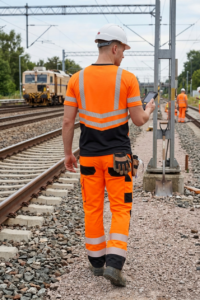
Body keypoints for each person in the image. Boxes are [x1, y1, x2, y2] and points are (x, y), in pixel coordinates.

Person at [62, 23, 155, 287]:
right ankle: (114, 265)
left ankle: (96, 262)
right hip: (119, 159)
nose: (123, 55)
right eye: (123, 50)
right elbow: (138, 120)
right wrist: (148, 109)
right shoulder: (127, 79)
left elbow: (68, 122)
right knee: (120, 208)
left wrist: (69, 154)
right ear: (114, 47)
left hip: (89, 158)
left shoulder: (76, 79)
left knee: (91, 208)